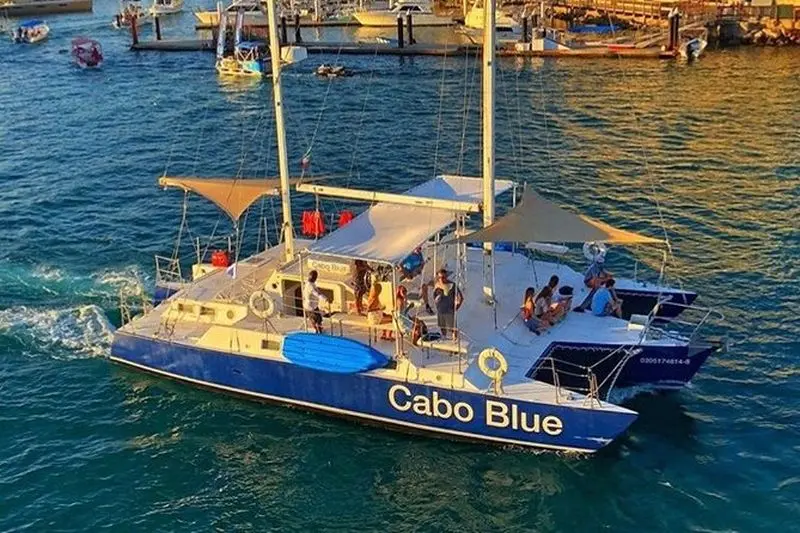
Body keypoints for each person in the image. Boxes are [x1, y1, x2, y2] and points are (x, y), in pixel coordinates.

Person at [432, 269, 463, 340]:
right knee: (442, 328)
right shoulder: (437, 284)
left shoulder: (452, 285)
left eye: (443, 277)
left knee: (453, 329)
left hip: (449, 311)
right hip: (440, 311)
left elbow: (461, 297)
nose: (441, 279)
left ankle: (455, 342)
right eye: (439, 277)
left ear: (446, 277)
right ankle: (445, 339)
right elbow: (434, 295)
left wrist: (457, 307)